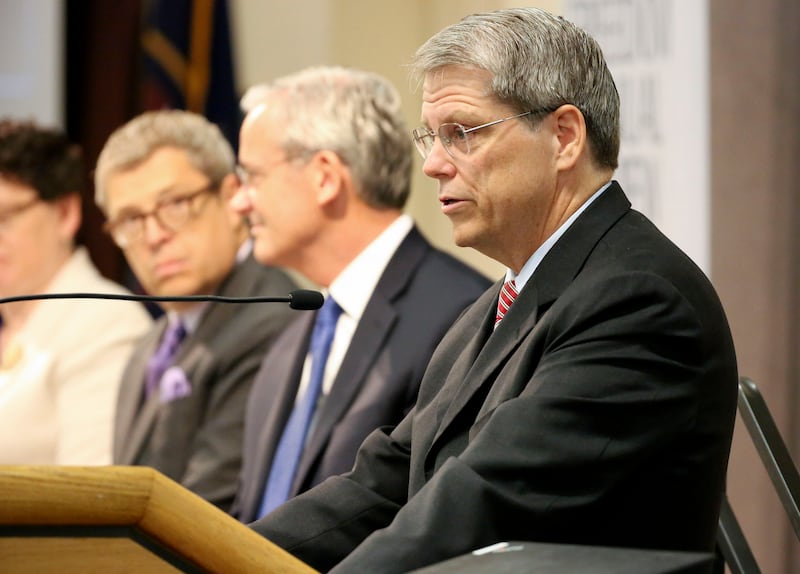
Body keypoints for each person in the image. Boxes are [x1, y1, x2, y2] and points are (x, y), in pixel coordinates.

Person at [249, 8, 739, 573]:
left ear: (563, 137)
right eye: (432, 137)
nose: (433, 164)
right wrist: (207, 553)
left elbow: (481, 508)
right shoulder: (497, 303)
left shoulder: (636, 302)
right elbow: (385, 484)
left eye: (461, 134)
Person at [229, 66, 491, 523]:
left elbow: (428, 519)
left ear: (325, 177)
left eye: (252, 177)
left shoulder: (460, 316)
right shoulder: (293, 339)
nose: (240, 202)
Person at [94, 110, 299, 512]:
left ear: (230, 195)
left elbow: (206, 510)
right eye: (131, 219)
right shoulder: (150, 343)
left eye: (175, 204)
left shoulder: (273, 318)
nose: (153, 236)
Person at [0, 119, 152, 465]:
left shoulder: (106, 322)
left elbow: (88, 495)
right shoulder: (10, 325)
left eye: (5, 216)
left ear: (66, 213)